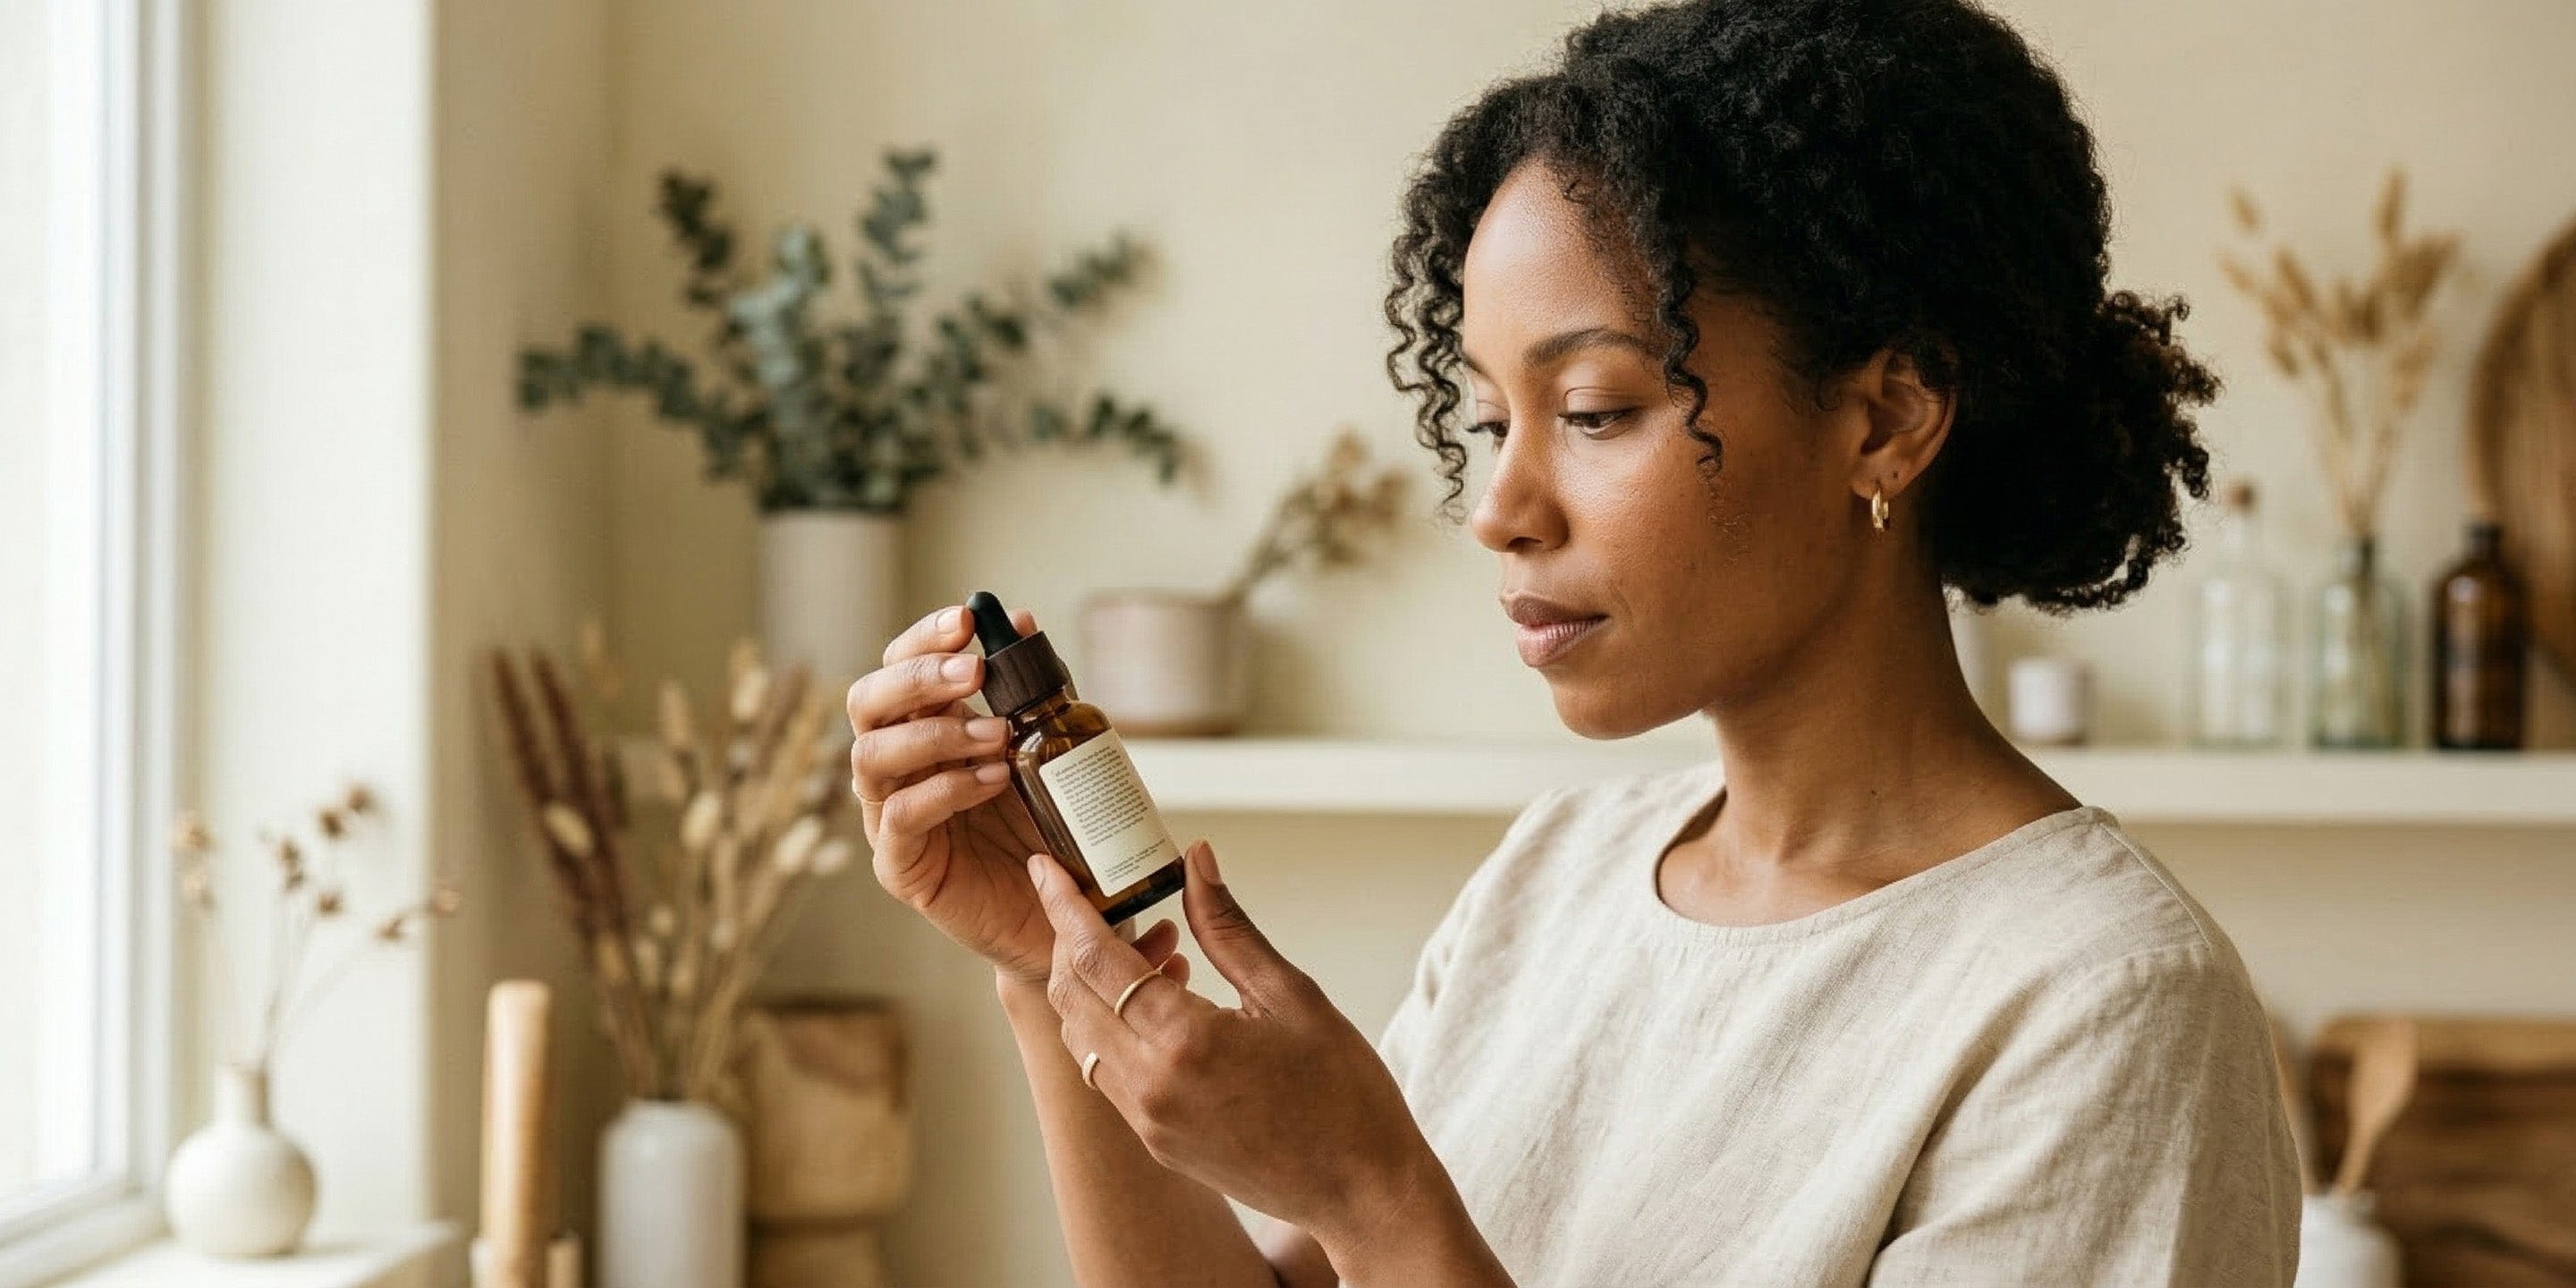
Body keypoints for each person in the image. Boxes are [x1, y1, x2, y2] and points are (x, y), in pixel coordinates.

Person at [842, 0, 2302, 1282]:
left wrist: (1373, 1191)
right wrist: (1052, 973)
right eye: (1489, 419)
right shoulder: (1560, 877)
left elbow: (1386, 1232)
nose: (1499, 509)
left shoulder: (2103, 1006)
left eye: (1596, 410)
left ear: (1883, 419)